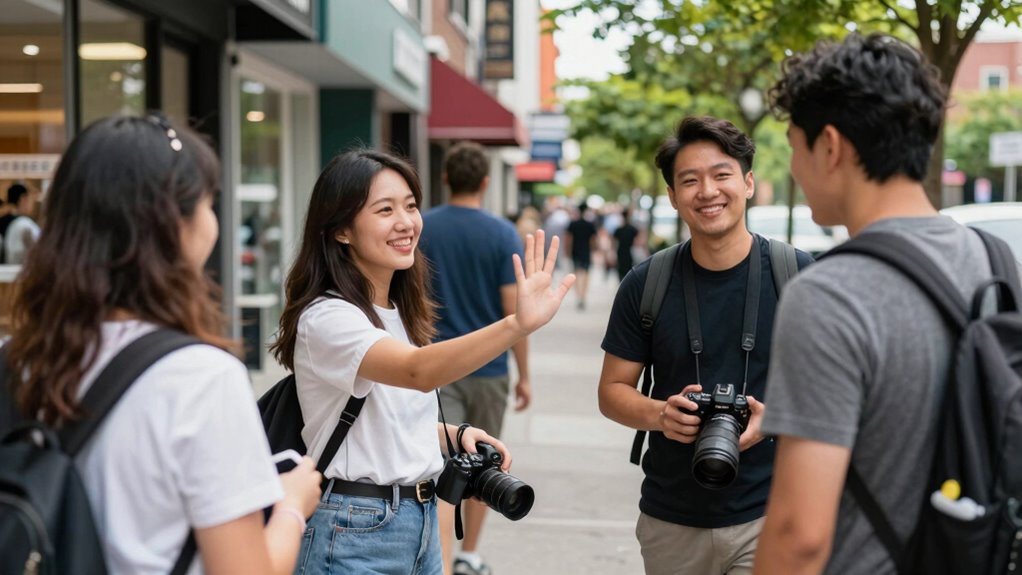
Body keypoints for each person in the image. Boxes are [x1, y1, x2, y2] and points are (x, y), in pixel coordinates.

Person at [3, 114, 322, 574]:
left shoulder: (16, 358)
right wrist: (293, 506)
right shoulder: (201, 378)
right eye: (210, 204)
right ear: (175, 225)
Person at [752, 33, 1002, 575]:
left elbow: (799, 536)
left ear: (831, 147)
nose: (794, 166)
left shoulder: (829, 294)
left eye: (795, 145)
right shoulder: (998, 263)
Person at [269, 149, 574, 575]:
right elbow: (417, 371)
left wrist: (452, 435)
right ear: (341, 230)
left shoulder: (398, 311)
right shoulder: (327, 316)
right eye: (385, 210)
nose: (406, 222)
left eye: (411, 205)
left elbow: (381, 420)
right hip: (354, 527)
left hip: (420, 520)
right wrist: (516, 325)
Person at [597, 116, 813, 575]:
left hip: (771, 512)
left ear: (749, 183)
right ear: (674, 197)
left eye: (722, 175)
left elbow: (836, 389)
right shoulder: (646, 283)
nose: (707, 191)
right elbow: (612, 391)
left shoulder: (798, 276)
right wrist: (661, 415)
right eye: (690, 181)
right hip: (671, 519)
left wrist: (772, 420)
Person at [419, 142, 530, 575]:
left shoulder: (423, 228)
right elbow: (513, 312)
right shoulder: (503, 233)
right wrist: (524, 375)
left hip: (434, 366)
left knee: (443, 465)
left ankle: (442, 558)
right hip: (490, 368)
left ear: (445, 178)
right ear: (486, 182)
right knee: (486, 465)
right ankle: (467, 555)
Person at [565, 201, 597, 309]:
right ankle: (583, 296)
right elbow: (593, 241)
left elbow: (569, 239)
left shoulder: (573, 224)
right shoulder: (590, 224)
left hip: (575, 251)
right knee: (586, 275)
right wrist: (594, 250)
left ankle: (578, 296)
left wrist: (567, 251)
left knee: (577, 274)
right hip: (586, 252)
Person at [2, 182, 39, 264]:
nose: (32, 204)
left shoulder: (2, 221)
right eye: (30, 199)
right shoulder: (25, 224)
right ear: (23, 199)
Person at [612, 208, 640, 281]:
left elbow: (614, 243)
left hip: (620, 251)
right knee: (629, 270)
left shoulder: (618, 230)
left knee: (620, 270)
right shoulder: (633, 229)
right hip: (630, 251)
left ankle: (621, 284)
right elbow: (638, 242)